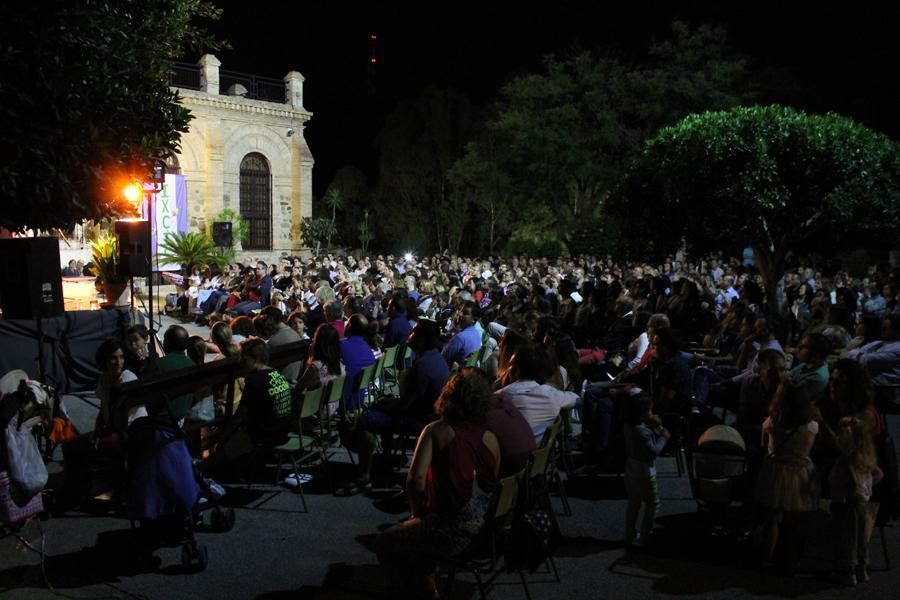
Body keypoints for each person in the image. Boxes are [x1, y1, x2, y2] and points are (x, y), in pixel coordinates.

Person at [374, 368, 500, 600]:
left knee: (385, 541)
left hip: (448, 530)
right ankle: (426, 585)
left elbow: (415, 480)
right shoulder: (491, 437)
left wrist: (417, 514)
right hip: (485, 533)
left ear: (448, 395)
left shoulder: (435, 431)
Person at [338, 319, 449, 495]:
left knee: (366, 420)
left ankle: (364, 476)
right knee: (381, 406)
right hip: (429, 415)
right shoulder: (435, 358)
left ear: (421, 339)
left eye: (413, 332)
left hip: (421, 420)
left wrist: (380, 406)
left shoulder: (423, 366)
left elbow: (404, 405)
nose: (409, 334)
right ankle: (386, 457)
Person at [201, 338, 293, 476]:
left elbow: (240, 415)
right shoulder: (277, 374)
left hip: (264, 434)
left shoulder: (254, 381)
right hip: (282, 429)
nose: (241, 362)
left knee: (217, 455)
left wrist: (222, 439)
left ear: (255, 359)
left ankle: (200, 473)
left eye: (244, 358)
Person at [754, 385, 820, 571]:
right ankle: (790, 559)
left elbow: (763, 444)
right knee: (793, 519)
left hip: (776, 470)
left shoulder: (772, 423)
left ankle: (766, 558)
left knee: (772, 518)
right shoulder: (812, 426)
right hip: (800, 472)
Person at [829, 417, 884, 586]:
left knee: (847, 538)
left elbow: (842, 481)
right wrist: (866, 490)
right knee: (861, 538)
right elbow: (879, 475)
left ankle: (849, 572)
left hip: (845, 504)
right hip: (861, 503)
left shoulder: (845, 459)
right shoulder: (866, 457)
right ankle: (862, 569)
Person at [495, 343, 578, 442]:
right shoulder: (552, 394)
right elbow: (577, 399)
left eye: (510, 366)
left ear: (516, 371)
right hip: (539, 450)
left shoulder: (503, 396)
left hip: (511, 450)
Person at [622, 392, 669, 547]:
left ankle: (629, 535)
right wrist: (663, 436)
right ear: (641, 413)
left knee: (633, 503)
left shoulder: (628, 426)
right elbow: (653, 451)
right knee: (653, 504)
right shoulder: (643, 432)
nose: (652, 413)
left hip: (630, 471)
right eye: (649, 410)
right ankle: (645, 537)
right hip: (645, 474)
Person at [142, 326, 196, 422]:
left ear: (167, 342)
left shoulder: (158, 364)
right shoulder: (192, 364)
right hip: (182, 418)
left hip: (163, 419)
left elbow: (145, 393)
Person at [441, 301, 483, 367]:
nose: (460, 314)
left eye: (465, 313)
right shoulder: (477, 334)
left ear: (474, 320)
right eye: (461, 311)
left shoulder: (461, 337)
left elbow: (443, 356)